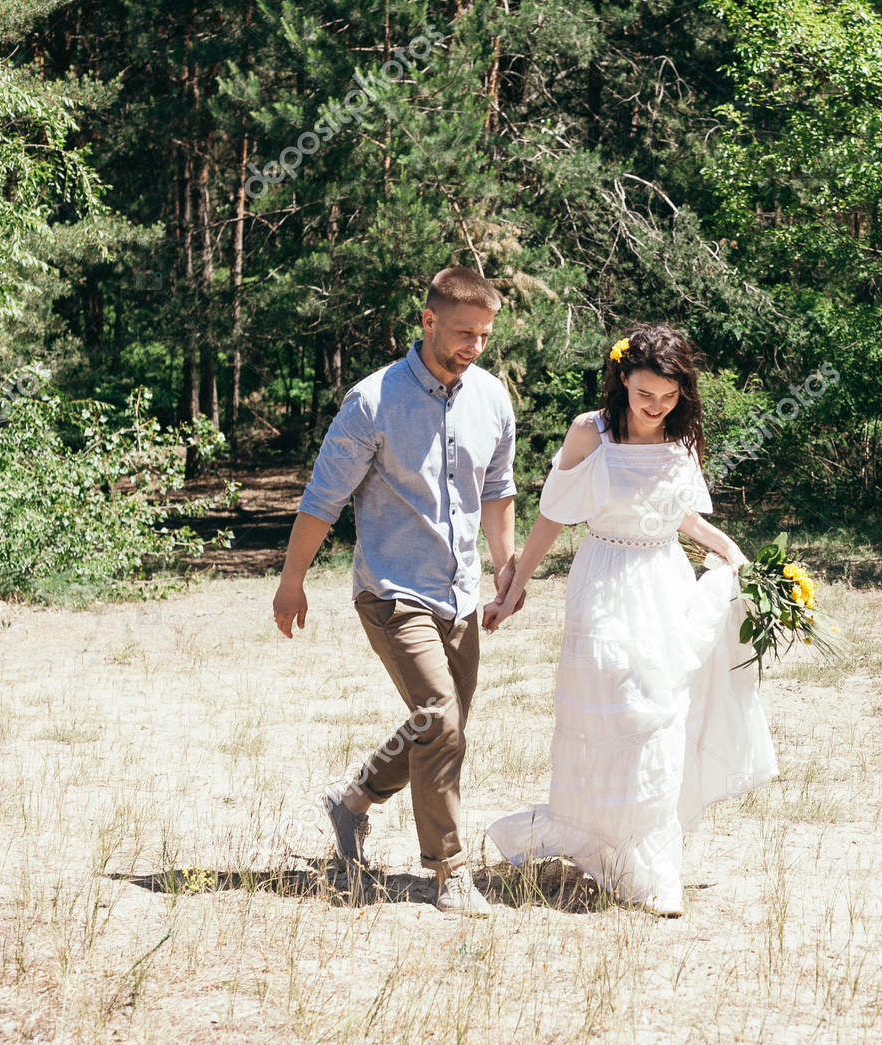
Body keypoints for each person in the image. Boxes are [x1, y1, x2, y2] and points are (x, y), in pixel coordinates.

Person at [483, 324, 778, 917]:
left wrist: (736, 556)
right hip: (605, 580)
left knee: (661, 713)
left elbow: (681, 517)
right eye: (646, 394)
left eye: (668, 398)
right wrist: (516, 583)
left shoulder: (681, 438)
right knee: (615, 710)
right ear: (622, 378)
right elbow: (553, 516)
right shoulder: (589, 433)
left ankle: (653, 862)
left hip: (663, 580)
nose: (656, 406)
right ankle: (608, 844)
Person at [272, 266, 521, 916]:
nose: (474, 345)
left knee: (437, 725)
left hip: (460, 593)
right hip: (391, 590)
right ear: (428, 321)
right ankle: (450, 869)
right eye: (464, 331)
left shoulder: (493, 399)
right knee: (441, 718)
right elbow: (323, 497)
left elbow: (497, 491)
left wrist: (504, 568)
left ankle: (352, 799)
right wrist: (292, 580)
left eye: (484, 335)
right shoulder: (373, 400)